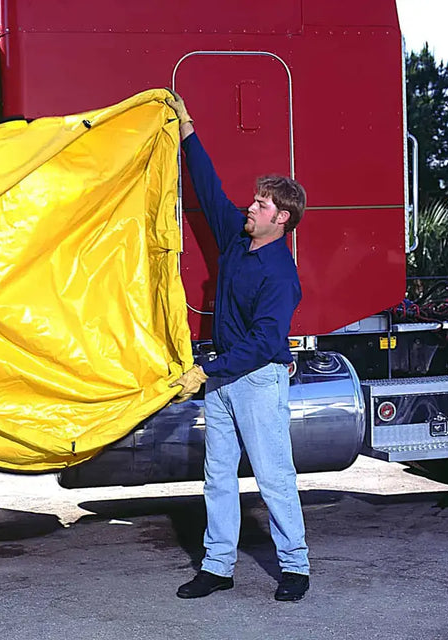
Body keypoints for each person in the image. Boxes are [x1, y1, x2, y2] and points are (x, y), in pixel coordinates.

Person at [166, 90, 310, 602]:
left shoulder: (279, 274)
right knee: (218, 478)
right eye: (254, 202)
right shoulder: (238, 237)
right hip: (225, 377)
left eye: (261, 205)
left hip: (254, 379)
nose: (250, 207)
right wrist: (188, 131)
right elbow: (207, 189)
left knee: (274, 478)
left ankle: (295, 569)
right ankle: (217, 566)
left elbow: (264, 342)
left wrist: (209, 371)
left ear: (282, 220)